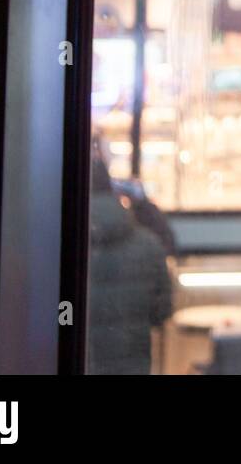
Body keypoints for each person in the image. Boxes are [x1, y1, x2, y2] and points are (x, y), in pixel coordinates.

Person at [87, 156, 173, 374]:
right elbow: (161, 310)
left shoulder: (51, 245)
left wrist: (65, 321)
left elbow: (59, 310)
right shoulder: (148, 244)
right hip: (133, 363)